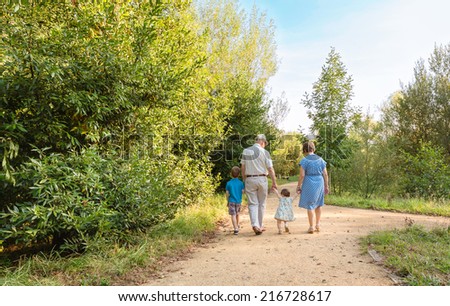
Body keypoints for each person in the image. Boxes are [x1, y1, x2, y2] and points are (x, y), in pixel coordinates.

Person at [241, 134, 277, 235]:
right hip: (262, 179)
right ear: (262, 142)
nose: (264, 145)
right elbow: (270, 169)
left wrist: (244, 180)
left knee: (253, 203)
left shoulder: (246, 151)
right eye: (265, 143)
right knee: (262, 203)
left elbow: (242, 167)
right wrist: (274, 182)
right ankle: (260, 225)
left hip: (250, 179)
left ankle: (255, 225)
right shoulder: (265, 152)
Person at [297, 141, 329, 234]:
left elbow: (302, 175)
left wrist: (298, 186)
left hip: (309, 182)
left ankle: (311, 227)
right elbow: (325, 174)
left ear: (305, 150)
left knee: (310, 204)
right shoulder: (321, 160)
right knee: (318, 204)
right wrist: (326, 186)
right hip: (319, 182)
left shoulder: (305, 160)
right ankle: (318, 225)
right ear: (313, 149)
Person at [225, 166, 245, 235]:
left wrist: (227, 200)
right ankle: (237, 225)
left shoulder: (229, 183)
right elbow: (243, 191)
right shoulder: (241, 183)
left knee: (233, 215)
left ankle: (235, 228)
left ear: (231, 174)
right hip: (238, 201)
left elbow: (227, 193)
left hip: (231, 201)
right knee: (237, 213)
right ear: (239, 174)